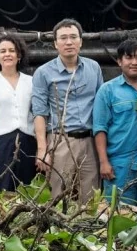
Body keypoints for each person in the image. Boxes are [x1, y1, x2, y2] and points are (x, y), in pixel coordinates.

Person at [32, 19, 105, 202]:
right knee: (57, 196)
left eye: (73, 37)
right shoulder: (43, 73)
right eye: (63, 38)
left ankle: (89, 230)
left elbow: (101, 107)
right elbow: (40, 113)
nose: (69, 42)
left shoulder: (93, 68)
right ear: (56, 44)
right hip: (60, 140)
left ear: (81, 41)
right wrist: (43, 150)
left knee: (90, 198)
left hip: (90, 141)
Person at [93, 38, 137, 205]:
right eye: (129, 57)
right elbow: (99, 128)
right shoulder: (107, 90)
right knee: (119, 215)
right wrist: (104, 162)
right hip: (119, 163)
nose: (134, 62)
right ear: (119, 61)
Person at [0, 34, 36, 191]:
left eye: (12, 50)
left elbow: (38, 114)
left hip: (28, 142)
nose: (7, 54)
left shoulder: (31, 81)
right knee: (0, 190)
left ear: (19, 55)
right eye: (3, 51)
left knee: (26, 190)